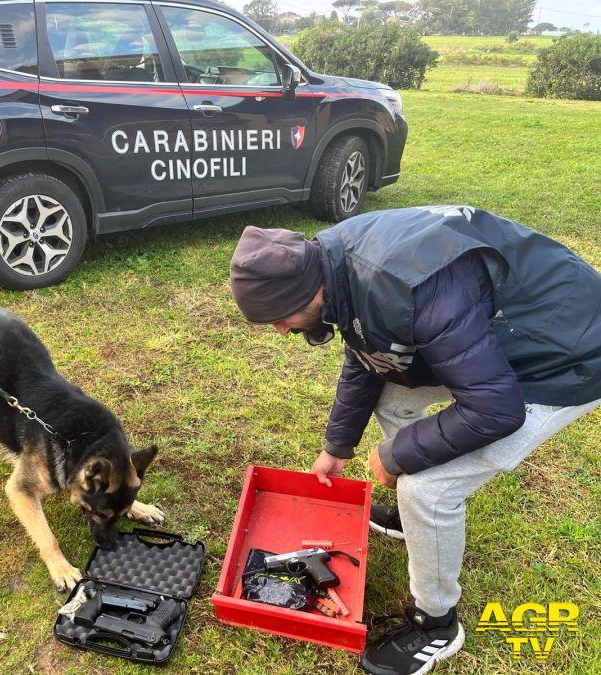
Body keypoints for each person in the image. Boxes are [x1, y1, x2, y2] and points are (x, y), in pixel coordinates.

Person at [229, 206, 600, 675]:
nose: (281, 331)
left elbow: (495, 409)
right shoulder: (330, 260)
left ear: (309, 291)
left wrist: (395, 457)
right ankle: (419, 522)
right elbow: (367, 356)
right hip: (491, 337)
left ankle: (437, 623)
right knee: (393, 401)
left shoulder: (411, 287)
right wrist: (336, 447)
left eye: (280, 318)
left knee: (426, 490)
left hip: (564, 356)